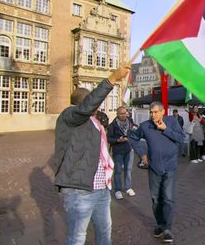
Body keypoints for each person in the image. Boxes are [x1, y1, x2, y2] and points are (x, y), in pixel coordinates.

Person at [53, 64, 130, 245]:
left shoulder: (93, 122)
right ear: (84, 103)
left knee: (105, 232)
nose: (98, 105)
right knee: (77, 238)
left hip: (101, 188)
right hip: (80, 190)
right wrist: (112, 78)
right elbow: (85, 109)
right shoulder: (69, 114)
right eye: (93, 102)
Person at [127, 101, 185, 243]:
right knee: (155, 199)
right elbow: (132, 137)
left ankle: (167, 229)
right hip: (154, 167)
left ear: (163, 111)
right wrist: (142, 154)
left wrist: (166, 129)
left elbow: (181, 138)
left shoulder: (171, 121)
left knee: (168, 198)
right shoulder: (145, 126)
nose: (153, 115)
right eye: (151, 112)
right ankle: (160, 224)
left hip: (170, 166)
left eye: (156, 112)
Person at [107, 106, 137, 200]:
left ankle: (128, 187)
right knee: (118, 171)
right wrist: (117, 140)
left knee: (128, 170)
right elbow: (109, 138)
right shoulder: (112, 125)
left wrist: (133, 144)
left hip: (129, 150)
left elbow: (135, 133)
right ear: (117, 114)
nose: (124, 115)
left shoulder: (130, 122)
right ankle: (118, 190)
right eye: (121, 113)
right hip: (118, 150)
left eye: (125, 113)